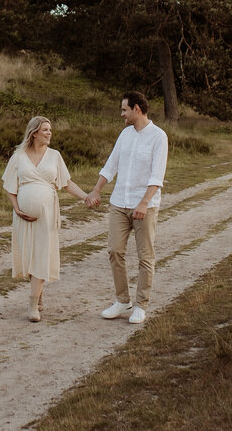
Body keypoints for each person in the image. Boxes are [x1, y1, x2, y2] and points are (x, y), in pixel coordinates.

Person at [85, 91, 168, 325]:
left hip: (145, 207)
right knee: (115, 251)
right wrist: (97, 190)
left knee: (145, 257)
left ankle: (141, 305)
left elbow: (157, 175)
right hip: (119, 203)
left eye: (124, 110)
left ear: (137, 109)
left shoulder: (159, 137)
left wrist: (144, 203)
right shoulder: (124, 135)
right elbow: (111, 165)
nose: (122, 114)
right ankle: (123, 301)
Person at [1, 116, 92, 322]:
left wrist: (86, 197)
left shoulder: (55, 156)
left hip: (47, 215)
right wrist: (16, 209)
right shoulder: (18, 156)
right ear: (34, 133)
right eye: (45, 130)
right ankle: (38, 295)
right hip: (23, 217)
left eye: (50, 130)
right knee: (30, 256)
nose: (49, 133)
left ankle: (32, 304)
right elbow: (9, 186)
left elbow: (66, 183)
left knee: (41, 254)